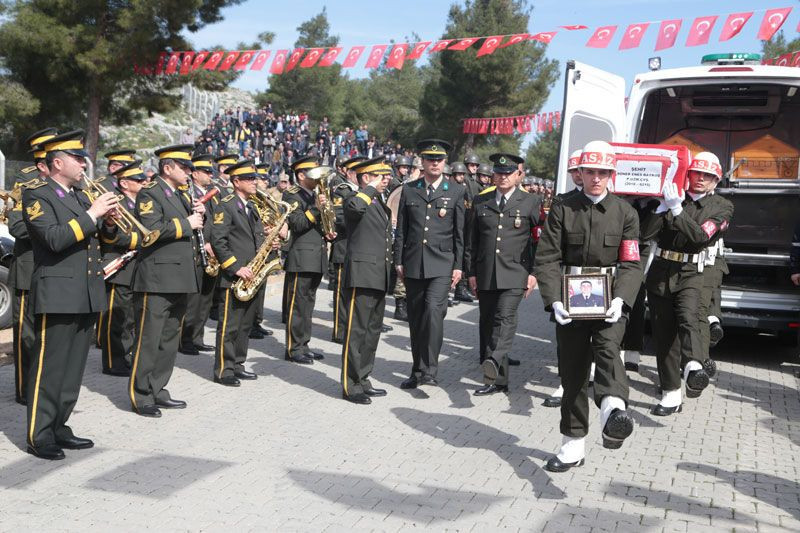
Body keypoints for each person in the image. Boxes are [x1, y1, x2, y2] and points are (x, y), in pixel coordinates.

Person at [534, 140, 642, 472]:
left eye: (603, 172)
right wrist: (553, 300)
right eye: (590, 171)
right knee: (573, 373)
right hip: (571, 302)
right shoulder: (563, 208)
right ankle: (573, 445)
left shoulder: (626, 212)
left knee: (609, 350)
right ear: (580, 173)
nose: (596, 178)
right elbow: (547, 258)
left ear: (612, 174)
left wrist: (622, 299)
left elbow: (631, 264)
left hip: (609, 300)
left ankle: (613, 412)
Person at [23, 130, 119, 459]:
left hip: (85, 290)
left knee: (73, 368)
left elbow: (98, 241)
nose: (84, 163)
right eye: (78, 159)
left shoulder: (78, 195)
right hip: (58, 291)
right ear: (58, 162)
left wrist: (107, 223)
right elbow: (54, 239)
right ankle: (40, 433)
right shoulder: (38, 195)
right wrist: (93, 214)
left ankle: (60, 425)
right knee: (50, 366)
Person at [641, 152, 733, 416]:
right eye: (696, 173)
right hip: (661, 271)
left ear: (716, 180)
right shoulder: (670, 196)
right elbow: (643, 235)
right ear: (687, 174)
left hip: (693, 270)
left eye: (708, 176)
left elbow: (699, 237)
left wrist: (677, 209)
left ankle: (694, 365)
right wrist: (659, 208)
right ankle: (670, 393)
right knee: (663, 334)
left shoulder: (722, 206)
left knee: (689, 317)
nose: (701, 179)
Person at [129, 144, 204, 418]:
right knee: (149, 339)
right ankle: (140, 395)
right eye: (184, 167)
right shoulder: (151, 193)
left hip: (180, 276)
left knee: (169, 339)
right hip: (157, 277)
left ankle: (158, 388)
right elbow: (151, 230)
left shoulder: (182, 195)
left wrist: (197, 216)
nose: (189, 172)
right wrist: (188, 223)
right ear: (167, 167)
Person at [394, 139, 466, 389]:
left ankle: (430, 370)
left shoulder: (456, 191)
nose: (434, 163)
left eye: (439, 160)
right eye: (429, 159)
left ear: (444, 163)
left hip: (442, 264)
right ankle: (417, 370)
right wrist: (398, 260)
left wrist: (458, 265)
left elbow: (460, 233)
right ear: (422, 162)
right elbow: (401, 230)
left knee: (434, 313)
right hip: (413, 262)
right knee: (416, 318)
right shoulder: (410, 189)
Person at [468, 153, 541, 395]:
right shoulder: (481, 202)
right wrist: (472, 273)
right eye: (498, 173)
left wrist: (534, 273)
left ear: (517, 175)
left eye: (507, 173)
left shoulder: (530, 202)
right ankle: (497, 381)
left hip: (515, 272)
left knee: (504, 317)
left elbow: (539, 241)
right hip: (486, 272)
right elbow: (473, 242)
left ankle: (495, 357)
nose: (502, 177)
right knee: (488, 323)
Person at [209, 160, 270, 386]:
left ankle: (238, 363)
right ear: (236, 181)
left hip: (252, 274)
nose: (255, 182)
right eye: (249, 179)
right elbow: (219, 240)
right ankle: (223, 370)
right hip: (234, 275)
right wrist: (235, 267)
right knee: (229, 325)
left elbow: (253, 237)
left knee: (245, 324)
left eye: (255, 178)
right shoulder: (226, 205)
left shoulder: (251, 205)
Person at [9, 128, 57, 406]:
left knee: (47, 334)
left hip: (56, 271)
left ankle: (45, 385)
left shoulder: (68, 187)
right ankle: (25, 389)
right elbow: (16, 226)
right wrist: (51, 227)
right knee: (26, 333)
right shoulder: (26, 184)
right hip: (28, 268)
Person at [340, 157, 394, 404]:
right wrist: (370, 187)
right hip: (362, 274)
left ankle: (363, 378)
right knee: (356, 331)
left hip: (378, 274)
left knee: (371, 332)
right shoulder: (355, 197)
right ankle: (350, 385)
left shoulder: (378, 201)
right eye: (380, 175)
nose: (387, 179)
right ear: (365, 177)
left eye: (387, 176)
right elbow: (353, 210)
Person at [282, 155, 335, 364]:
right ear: (301, 175)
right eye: (312, 173)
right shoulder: (292, 195)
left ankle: (304, 344)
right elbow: (297, 224)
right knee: (297, 305)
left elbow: (317, 225)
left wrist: (328, 231)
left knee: (308, 305)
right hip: (301, 256)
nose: (317, 177)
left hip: (316, 255)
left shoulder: (315, 194)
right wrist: (316, 207)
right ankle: (293, 349)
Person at [99, 161, 149, 377]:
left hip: (136, 267)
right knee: (116, 320)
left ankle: (126, 356)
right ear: (125, 183)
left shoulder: (140, 201)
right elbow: (112, 236)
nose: (144, 182)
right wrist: (144, 240)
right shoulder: (116, 203)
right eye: (139, 180)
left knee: (130, 319)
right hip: (119, 266)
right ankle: (112, 361)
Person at [179, 154, 220, 355]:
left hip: (213, 252)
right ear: (194, 174)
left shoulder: (213, 193)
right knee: (192, 300)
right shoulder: (189, 192)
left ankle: (197, 337)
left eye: (211, 171)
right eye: (206, 171)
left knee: (206, 299)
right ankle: (185, 339)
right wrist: (208, 242)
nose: (210, 174)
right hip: (199, 249)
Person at [329, 156, 365, 344]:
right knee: (341, 292)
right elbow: (339, 218)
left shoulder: (363, 192)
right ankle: (339, 330)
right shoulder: (342, 190)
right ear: (351, 173)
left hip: (359, 249)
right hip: (343, 247)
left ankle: (351, 327)